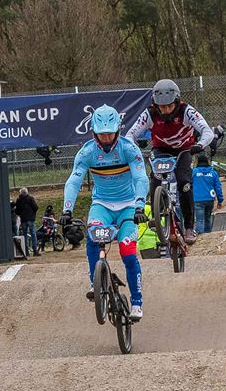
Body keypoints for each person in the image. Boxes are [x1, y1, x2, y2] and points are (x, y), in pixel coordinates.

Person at [66, 104, 149, 320]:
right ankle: (95, 282)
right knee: (93, 239)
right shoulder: (87, 152)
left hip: (128, 206)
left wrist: (139, 206)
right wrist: (67, 210)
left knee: (128, 253)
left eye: (110, 134)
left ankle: (137, 302)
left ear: (118, 130)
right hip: (101, 205)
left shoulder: (129, 149)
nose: (106, 139)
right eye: (101, 134)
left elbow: (141, 178)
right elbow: (74, 181)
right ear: (94, 132)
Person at [126, 79, 216, 246]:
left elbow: (207, 131)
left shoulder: (187, 111)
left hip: (185, 149)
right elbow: (130, 135)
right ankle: (156, 215)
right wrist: (134, 148)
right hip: (161, 149)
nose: (166, 110)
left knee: (184, 183)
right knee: (155, 177)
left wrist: (199, 145)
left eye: (169, 106)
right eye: (162, 107)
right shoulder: (149, 114)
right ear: (156, 104)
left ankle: (189, 227)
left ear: (176, 101)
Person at [192, 155, 225, 234]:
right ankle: (208, 235)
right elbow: (218, 187)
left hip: (198, 199)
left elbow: (189, 185)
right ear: (207, 162)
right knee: (207, 219)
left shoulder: (194, 172)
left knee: (199, 220)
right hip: (210, 199)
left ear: (198, 162)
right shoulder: (213, 173)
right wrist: (220, 200)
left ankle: (200, 235)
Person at [13, 187, 39, 256]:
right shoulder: (30, 198)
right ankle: (35, 250)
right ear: (26, 192)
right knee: (33, 234)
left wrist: (21, 214)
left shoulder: (19, 200)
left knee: (24, 235)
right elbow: (36, 207)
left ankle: (26, 251)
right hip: (31, 219)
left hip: (23, 219)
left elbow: (17, 211)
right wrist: (33, 213)